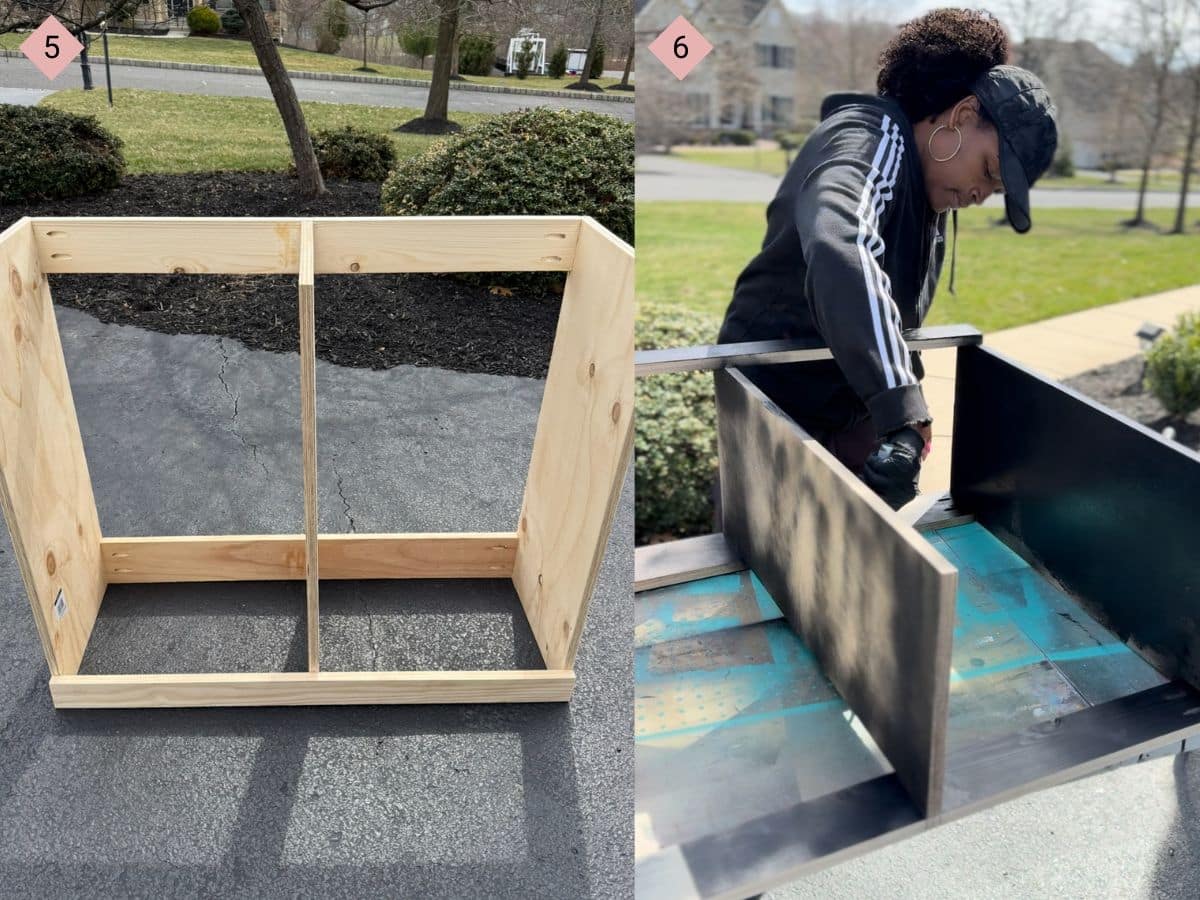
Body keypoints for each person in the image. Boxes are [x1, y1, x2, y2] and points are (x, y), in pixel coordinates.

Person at [717, 9, 1058, 510]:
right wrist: (902, 408)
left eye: (996, 189)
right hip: (777, 404)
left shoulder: (927, 184)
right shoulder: (869, 140)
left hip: (847, 408)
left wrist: (907, 413)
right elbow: (843, 245)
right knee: (765, 567)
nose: (981, 194)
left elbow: (893, 311)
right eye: (988, 171)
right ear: (961, 117)